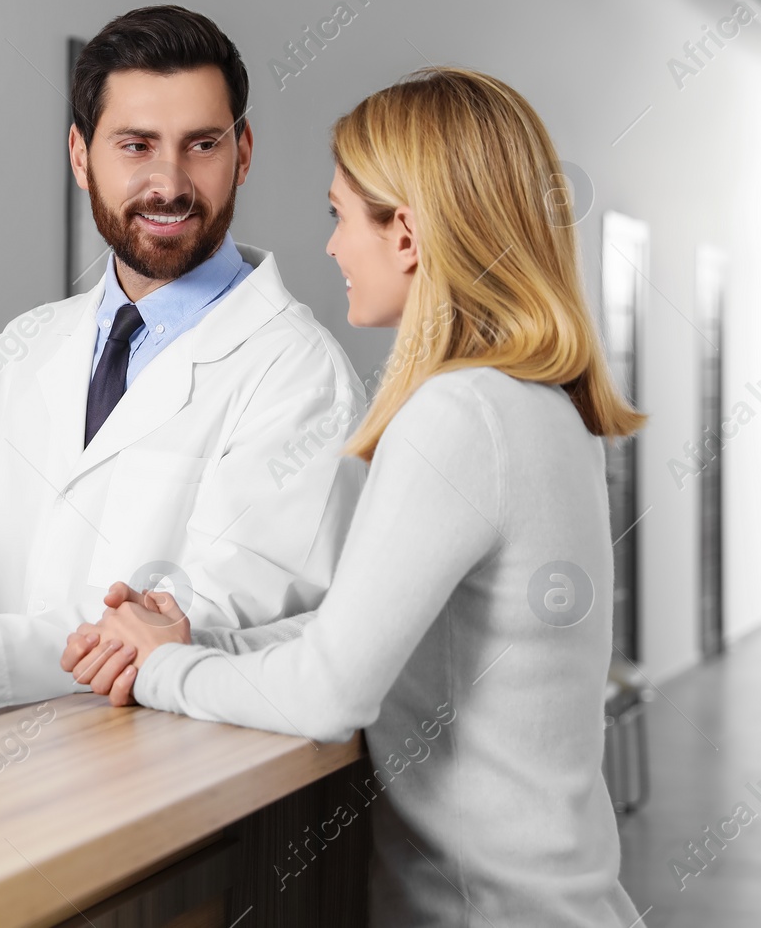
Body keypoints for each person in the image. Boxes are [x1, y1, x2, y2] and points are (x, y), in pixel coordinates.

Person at [62, 67, 646, 925]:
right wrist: (202, 636)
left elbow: (332, 690)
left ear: (405, 234)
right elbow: (380, 628)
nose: (332, 246)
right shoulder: (537, 407)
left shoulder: (458, 413)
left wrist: (161, 667)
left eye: (340, 215)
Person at [0, 5, 366, 727]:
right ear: (81, 156)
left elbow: (218, 613)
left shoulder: (297, 373)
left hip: (158, 793)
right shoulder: (30, 342)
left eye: (200, 144)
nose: (170, 182)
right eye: (136, 145)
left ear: (242, 152)